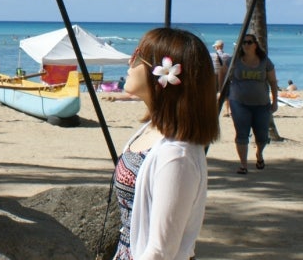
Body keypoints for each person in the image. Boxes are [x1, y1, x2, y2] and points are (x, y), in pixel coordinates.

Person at [111, 27, 218, 260]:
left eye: (137, 56)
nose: (129, 62)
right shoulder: (150, 130)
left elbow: (160, 252)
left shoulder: (176, 156)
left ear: (163, 75)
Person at [228, 31, 278, 174]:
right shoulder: (235, 60)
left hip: (262, 104)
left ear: (255, 45)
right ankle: (243, 165)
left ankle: (259, 154)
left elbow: (273, 82)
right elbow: (223, 72)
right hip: (239, 103)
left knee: (262, 136)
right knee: (241, 134)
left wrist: (275, 102)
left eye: (249, 42)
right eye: (243, 42)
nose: (246, 45)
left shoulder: (264, 61)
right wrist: (224, 92)